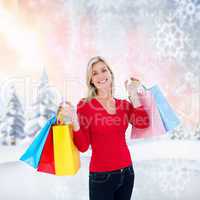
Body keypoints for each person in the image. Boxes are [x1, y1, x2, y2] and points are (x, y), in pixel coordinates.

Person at [63, 56, 150, 200]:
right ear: (90, 80)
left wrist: (133, 93)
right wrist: (75, 121)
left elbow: (143, 122)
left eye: (104, 70)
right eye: (95, 73)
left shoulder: (123, 105)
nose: (100, 75)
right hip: (101, 177)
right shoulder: (85, 106)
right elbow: (83, 147)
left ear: (110, 74)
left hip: (127, 173)